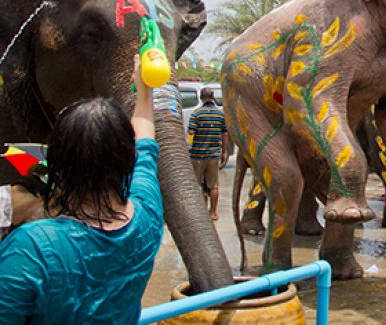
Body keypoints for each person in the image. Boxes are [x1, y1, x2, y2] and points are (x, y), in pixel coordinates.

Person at [0, 56, 161, 323]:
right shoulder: (148, 215)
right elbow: (146, 143)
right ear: (125, 158)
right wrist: (145, 92)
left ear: (58, 162)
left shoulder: (32, 247)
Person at [188, 87, 228, 221]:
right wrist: (224, 152)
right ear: (212, 96)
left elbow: (191, 132)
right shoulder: (220, 114)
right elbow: (225, 134)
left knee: (198, 184)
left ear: (200, 98)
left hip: (198, 155)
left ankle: (202, 212)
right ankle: (213, 213)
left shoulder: (196, 113)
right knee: (213, 185)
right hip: (214, 155)